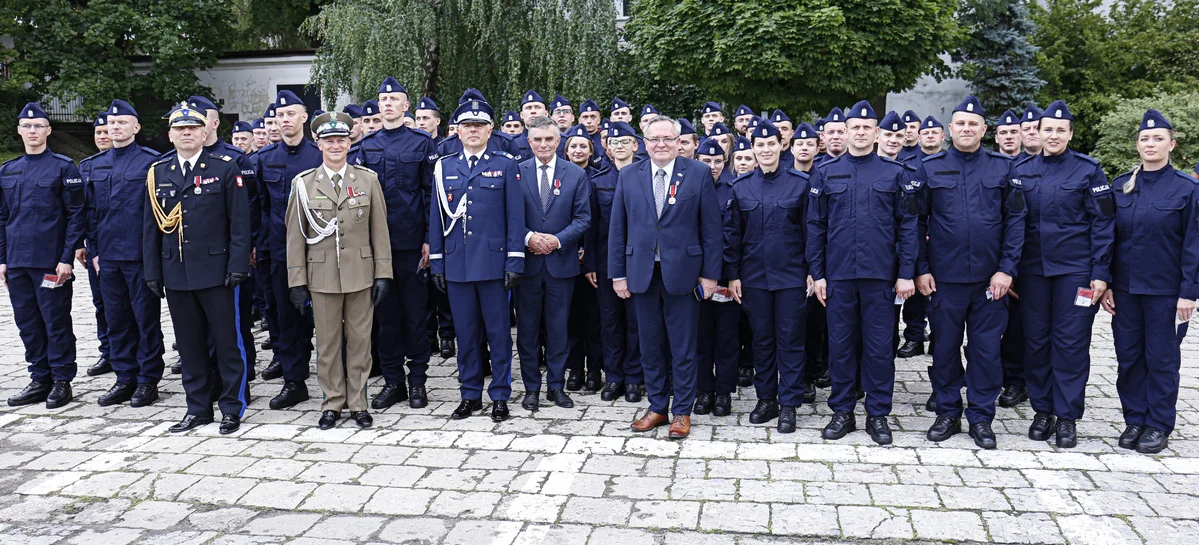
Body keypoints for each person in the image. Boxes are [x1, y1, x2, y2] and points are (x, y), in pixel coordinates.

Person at [914, 96, 1026, 450]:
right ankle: (947, 411)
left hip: (989, 280)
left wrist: (1007, 270)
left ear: (984, 130)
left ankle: (980, 416)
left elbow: (1016, 221)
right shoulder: (929, 168)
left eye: (973, 124)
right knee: (944, 348)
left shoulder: (1002, 169)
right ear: (950, 130)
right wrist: (921, 269)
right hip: (943, 279)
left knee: (986, 350)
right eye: (960, 124)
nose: (966, 129)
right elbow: (914, 223)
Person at [807, 100, 917, 445]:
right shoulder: (825, 172)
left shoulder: (895, 174)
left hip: (881, 277)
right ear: (844, 131)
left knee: (880, 347)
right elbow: (815, 226)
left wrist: (906, 273)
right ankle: (842, 411)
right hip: (839, 275)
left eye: (867, 128)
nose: (860, 132)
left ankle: (878, 414)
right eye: (854, 127)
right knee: (840, 346)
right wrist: (817, 272)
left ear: (877, 133)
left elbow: (908, 227)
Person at [609, 115, 723, 440]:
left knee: (684, 346)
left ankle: (682, 411)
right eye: (654, 139)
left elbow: (712, 230)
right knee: (650, 345)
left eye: (667, 139)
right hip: (642, 274)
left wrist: (710, 275)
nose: (661, 145)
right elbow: (618, 229)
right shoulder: (629, 175)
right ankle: (657, 406)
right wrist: (618, 274)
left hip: (685, 274)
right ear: (644, 144)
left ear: (678, 142)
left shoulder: (698, 173)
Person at [143, 103, 250, 434]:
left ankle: (232, 407)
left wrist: (237, 265)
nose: (186, 133)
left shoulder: (225, 166)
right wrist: (152, 272)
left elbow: (240, 225)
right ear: (171, 135)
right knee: (189, 346)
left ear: (205, 132)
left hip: (217, 272)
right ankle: (198, 407)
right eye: (179, 129)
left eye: (192, 128)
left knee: (227, 344)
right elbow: (150, 228)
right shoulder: (158, 172)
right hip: (176, 273)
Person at [1015, 100, 1114, 449]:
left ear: (1070, 134)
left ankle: (1067, 416)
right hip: (1032, 273)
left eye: (1061, 130)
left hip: (1076, 273)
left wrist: (1101, 272)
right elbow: (1012, 224)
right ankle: (1043, 410)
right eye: (1048, 130)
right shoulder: (1022, 170)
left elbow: (1103, 224)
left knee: (1070, 344)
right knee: (1037, 342)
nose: (1054, 135)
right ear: (1037, 134)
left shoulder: (1088, 170)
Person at [286, 112, 392, 429]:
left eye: (341, 140)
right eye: (329, 140)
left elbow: (380, 230)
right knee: (328, 344)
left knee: (360, 342)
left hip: (360, 273)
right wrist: (297, 280)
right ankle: (332, 402)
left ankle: (358, 402)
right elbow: (294, 236)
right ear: (318, 144)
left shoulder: (367, 180)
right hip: (321, 277)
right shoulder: (304, 184)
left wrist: (383, 273)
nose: (335, 145)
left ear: (349, 143)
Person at [1102, 109, 1199, 454]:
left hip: (1166, 293)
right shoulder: (1121, 186)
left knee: (1161, 359)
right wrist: (1107, 282)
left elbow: (1194, 243)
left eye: (1158, 138)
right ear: (1137, 145)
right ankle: (1135, 418)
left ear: (1171, 144)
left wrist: (1189, 293)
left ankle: (1158, 424)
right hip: (1125, 292)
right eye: (1145, 138)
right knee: (1128, 357)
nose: (1151, 143)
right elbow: (1109, 239)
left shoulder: (1188, 189)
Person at [429, 97, 525, 422]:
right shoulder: (444, 166)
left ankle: (500, 395)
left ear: (490, 129)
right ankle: (469, 394)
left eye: (479, 125)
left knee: (498, 334)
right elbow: (436, 220)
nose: (473, 130)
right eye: (467, 126)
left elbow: (516, 217)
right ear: (456, 130)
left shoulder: (507, 164)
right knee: (465, 335)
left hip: (495, 265)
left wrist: (515, 261)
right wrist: (438, 262)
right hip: (457, 265)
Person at [350, 76, 438, 410]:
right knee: (385, 319)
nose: (387, 104)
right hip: (376, 248)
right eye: (382, 100)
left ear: (405, 105)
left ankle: (417, 382)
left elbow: (431, 196)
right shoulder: (365, 147)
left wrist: (430, 240)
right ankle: (393, 382)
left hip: (412, 244)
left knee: (415, 316)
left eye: (394, 100)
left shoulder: (421, 143)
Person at [724, 121, 811, 432]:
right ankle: (766, 399)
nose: (765, 150)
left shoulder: (801, 184)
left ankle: (789, 404)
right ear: (752, 149)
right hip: (754, 277)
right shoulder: (741, 186)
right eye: (759, 146)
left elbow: (810, 232)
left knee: (790, 341)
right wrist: (733, 274)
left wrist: (813, 271)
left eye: (771, 144)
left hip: (791, 277)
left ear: (781, 145)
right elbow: (733, 235)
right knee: (761, 341)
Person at [84, 99, 167, 408]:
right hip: (106, 256)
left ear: (136, 127)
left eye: (122, 122)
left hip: (140, 255)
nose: (115, 127)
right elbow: (89, 213)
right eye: (111, 123)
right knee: (116, 319)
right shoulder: (94, 165)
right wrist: (93, 250)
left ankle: (148, 380)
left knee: (145, 319)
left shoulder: (152, 163)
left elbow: (160, 213)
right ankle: (124, 376)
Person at [2, 102, 85, 409]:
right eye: (27, 126)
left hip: (51, 264)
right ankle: (39, 378)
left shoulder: (64, 167)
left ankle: (62, 380)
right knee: (27, 322)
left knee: (55, 320)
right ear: (20, 130)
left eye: (39, 126)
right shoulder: (8, 170)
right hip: (18, 264)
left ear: (48, 131)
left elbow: (77, 215)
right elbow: (2, 218)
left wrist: (66, 258)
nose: (33, 131)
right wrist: (2, 260)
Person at [514, 117, 591, 410]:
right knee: (528, 330)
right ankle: (531, 388)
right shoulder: (516, 172)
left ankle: (556, 387)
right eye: (537, 139)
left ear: (559, 141)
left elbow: (583, 218)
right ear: (529, 141)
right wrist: (530, 237)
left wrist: (556, 241)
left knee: (559, 329)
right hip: (528, 265)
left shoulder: (575, 175)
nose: (543, 144)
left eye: (549, 139)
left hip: (561, 263)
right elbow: (507, 217)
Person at [254, 90, 321, 410]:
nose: (285, 120)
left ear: (304, 117)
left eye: (291, 114)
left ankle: (339, 380)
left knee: (329, 317)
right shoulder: (265, 159)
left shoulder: (320, 155)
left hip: (321, 251)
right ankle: (295, 382)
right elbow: (262, 209)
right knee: (286, 318)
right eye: (280, 116)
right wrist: (261, 247)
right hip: (281, 253)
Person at [587, 122, 644, 402]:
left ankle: (634, 378)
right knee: (609, 323)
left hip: (640, 263)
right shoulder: (598, 181)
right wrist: (591, 265)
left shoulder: (646, 177)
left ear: (636, 144)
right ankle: (614, 378)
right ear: (606, 148)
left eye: (625, 141)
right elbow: (592, 227)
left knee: (636, 322)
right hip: (608, 264)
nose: (619, 146)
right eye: (614, 142)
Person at [691, 139, 738, 418]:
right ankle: (703, 390)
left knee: (726, 338)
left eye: (718, 161)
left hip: (724, 276)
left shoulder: (734, 191)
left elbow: (736, 237)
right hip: (694, 276)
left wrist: (731, 275)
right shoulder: (689, 190)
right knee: (699, 337)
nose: (712, 167)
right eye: (706, 161)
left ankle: (723, 392)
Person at [996, 108, 1029, 408]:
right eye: (1003, 132)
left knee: (1020, 329)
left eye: (1014, 132)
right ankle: (1003, 378)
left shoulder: (1030, 167)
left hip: (1027, 266)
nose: (1009, 136)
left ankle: (1018, 381)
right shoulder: (994, 167)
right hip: (993, 267)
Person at [80, 112, 113, 378]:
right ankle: (108, 351)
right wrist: (82, 244)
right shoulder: (86, 166)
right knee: (100, 302)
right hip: (95, 246)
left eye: (106, 132)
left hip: (123, 248)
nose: (103, 137)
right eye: (98, 133)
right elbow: (82, 209)